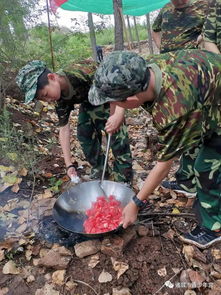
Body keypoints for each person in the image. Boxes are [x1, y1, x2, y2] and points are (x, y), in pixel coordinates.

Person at [88, 50, 221, 249]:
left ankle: (213, 227)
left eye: (114, 102)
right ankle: (189, 186)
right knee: (193, 143)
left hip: (212, 103)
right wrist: (119, 113)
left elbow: (163, 164)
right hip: (207, 90)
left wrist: (135, 203)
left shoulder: (173, 109)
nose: (112, 106)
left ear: (131, 98)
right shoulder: (142, 68)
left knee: (205, 167)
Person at [15, 60, 133, 184]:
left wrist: (118, 114)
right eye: (43, 99)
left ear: (52, 77)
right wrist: (69, 165)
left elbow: (118, 86)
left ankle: (124, 178)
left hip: (109, 95)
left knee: (116, 132)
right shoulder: (59, 99)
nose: (48, 100)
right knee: (84, 133)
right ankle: (100, 170)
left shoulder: (80, 72)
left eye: (46, 94)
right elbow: (64, 128)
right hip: (88, 101)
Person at [152, 0, 208, 197]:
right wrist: (163, 49)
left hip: (191, 75)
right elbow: (155, 29)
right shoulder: (166, 8)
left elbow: (212, 36)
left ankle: (192, 181)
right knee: (178, 123)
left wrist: (200, 45)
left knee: (193, 124)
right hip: (168, 73)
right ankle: (186, 178)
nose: (177, 2)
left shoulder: (205, 6)